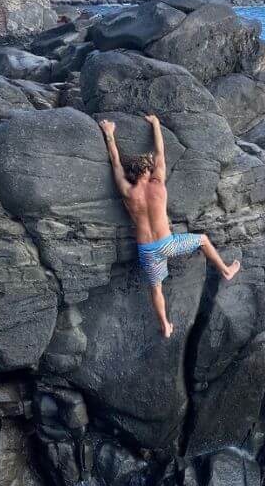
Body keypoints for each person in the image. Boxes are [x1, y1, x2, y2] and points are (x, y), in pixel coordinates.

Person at [99, 114, 241, 338]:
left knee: (156, 288)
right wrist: (155, 124)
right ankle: (225, 270)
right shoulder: (158, 186)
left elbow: (115, 161)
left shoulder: (128, 192)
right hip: (169, 244)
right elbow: (160, 152)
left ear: (134, 175)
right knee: (202, 239)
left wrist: (109, 133)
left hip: (146, 250)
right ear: (149, 170)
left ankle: (165, 325)